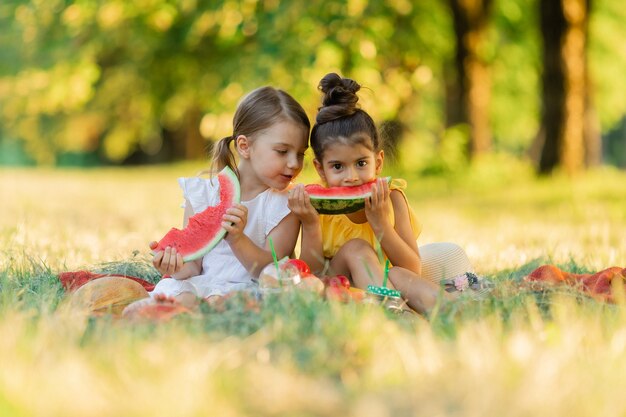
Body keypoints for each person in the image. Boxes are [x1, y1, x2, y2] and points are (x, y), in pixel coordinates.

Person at [288, 73, 480, 314]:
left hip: (391, 284)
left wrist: (381, 225)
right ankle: (393, 311)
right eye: (338, 166)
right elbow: (314, 275)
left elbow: (413, 268)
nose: (352, 177)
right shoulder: (316, 204)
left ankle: (453, 310)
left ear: (378, 162)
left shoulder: (392, 197)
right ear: (320, 169)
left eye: (361, 163)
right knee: (356, 248)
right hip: (343, 290)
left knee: (399, 274)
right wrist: (310, 224)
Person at [125, 86, 310, 313]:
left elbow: (268, 270)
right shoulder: (205, 192)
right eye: (282, 151)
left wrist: (237, 239)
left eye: (301, 154)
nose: (294, 163)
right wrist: (173, 265)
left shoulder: (286, 204)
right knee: (180, 298)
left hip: (248, 290)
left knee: (221, 303)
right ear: (245, 146)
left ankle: (182, 314)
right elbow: (193, 267)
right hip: (200, 285)